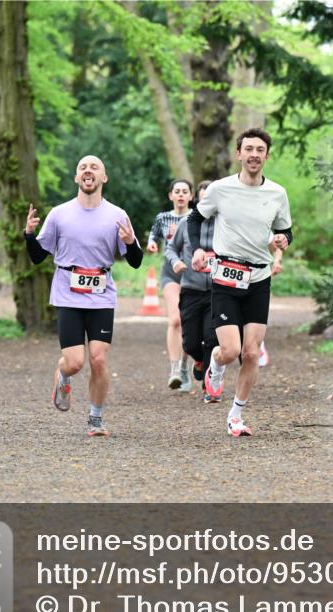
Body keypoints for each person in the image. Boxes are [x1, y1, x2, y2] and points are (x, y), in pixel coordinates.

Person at [24, 155, 143, 437]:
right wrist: (29, 234)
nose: (88, 171)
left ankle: (96, 418)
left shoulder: (118, 215)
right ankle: (63, 374)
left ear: (104, 178)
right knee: (75, 362)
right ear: (77, 178)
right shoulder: (59, 214)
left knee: (99, 360)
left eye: (94, 167)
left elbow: (136, 261)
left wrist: (129, 243)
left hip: (101, 295)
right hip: (67, 294)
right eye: (82, 168)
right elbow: (38, 256)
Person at [187, 128, 293, 436]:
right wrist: (197, 248)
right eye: (249, 149)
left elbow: (287, 230)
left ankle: (236, 415)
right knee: (231, 351)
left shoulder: (277, 193)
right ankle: (216, 366)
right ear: (239, 154)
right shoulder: (221, 189)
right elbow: (194, 218)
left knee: (251, 352)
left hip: (259, 278)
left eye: (260, 149)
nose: (254, 154)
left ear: (266, 156)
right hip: (226, 277)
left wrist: (283, 239)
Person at [166, 180, 221, 403]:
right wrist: (176, 262)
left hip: (217, 290)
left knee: (211, 338)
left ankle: (209, 386)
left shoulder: (225, 223)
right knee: (189, 343)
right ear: (198, 200)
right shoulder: (188, 223)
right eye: (204, 198)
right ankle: (197, 361)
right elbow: (170, 248)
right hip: (190, 289)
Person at [146, 179, 194, 391]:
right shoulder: (162, 218)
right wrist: (152, 243)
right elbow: (153, 236)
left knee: (187, 323)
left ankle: (184, 365)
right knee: (175, 319)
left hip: (193, 275)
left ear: (191, 196)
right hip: (170, 273)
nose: (181, 195)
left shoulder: (196, 218)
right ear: (171, 196)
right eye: (177, 191)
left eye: (185, 191)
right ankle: (175, 369)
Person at [258, 240, 284, 369]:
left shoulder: (260, 225)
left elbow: (278, 246)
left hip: (258, 281)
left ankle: (258, 343)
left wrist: (277, 261)